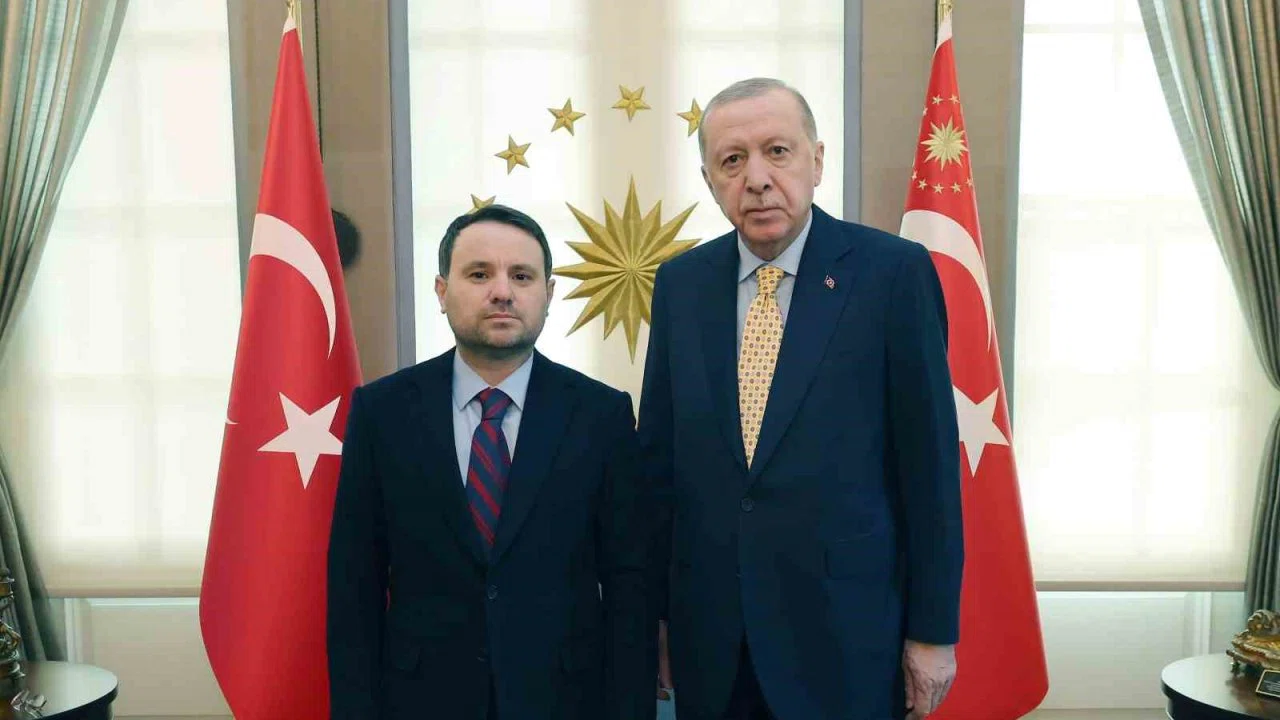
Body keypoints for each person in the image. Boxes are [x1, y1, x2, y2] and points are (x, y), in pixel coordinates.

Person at [638, 77, 963, 720]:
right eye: (733, 160)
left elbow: (929, 468)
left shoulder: (893, 274)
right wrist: (658, 616)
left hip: (845, 641)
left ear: (817, 161)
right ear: (709, 180)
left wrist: (933, 632)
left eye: (777, 151)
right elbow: (659, 467)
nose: (757, 179)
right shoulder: (681, 285)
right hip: (713, 643)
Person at [327, 204, 654, 720]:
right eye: (479, 274)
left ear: (548, 294)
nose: (502, 292)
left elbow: (629, 584)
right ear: (441, 292)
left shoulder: (601, 415)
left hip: (564, 700)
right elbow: (354, 583)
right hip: (420, 701)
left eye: (521, 276)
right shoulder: (382, 412)